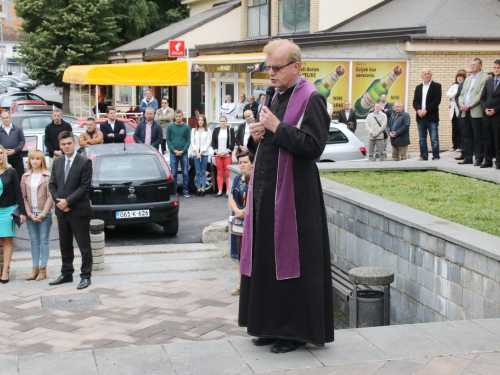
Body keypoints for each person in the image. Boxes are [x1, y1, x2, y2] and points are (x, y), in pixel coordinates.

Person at [239, 39, 334, 353]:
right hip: (267, 196)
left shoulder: (312, 98)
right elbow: (270, 144)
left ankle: (291, 332)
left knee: (290, 263)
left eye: (276, 67)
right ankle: (267, 325)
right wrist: (256, 140)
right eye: (268, 67)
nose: (271, 73)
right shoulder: (273, 95)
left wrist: (277, 127)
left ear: (296, 66)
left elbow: (313, 147)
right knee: (267, 261)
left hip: (296, 200)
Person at [48, 131, 93, 290]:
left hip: (78, 211)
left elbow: (84, 187)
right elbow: (52, 185)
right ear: (60, 146)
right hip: (62, 211)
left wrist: (68, 201)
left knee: (84, 245)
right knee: (65, 245)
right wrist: (59, 202)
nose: (66, 146)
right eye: (63, 144)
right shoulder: (58, 161)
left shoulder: (85, 162)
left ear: (74, 143)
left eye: (69, 143)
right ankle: (66, 273)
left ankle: (86, 276)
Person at [20, 150, 54, 281]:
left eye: (37, 159)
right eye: (32, 159)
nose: (34, 161)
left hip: (44, 213)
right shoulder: (25, 176)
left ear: (42, 161)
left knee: (44, 240)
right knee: (34, 241)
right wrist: (28, 213)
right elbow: (23, 196)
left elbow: (51, 195)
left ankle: (43, 268)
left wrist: (44, 213)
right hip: (30, 214)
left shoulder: (47, 176)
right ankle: (34, 268)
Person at [0, 145, 26, 283]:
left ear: (4, 155)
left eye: (0, 153)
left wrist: (22, 211)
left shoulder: (11, 171)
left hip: (7, 210)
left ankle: (5, 271)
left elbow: (18, 192)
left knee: (8, 241)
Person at [229, 151, 253, 296]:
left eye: (245, 162)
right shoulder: (238, 178)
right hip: (238, 220)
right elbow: (232, 196)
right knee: (239, 252)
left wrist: (245, 211)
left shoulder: (255, 178)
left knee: (248, 251)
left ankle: (251, 284)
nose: (242, 165)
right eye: (240, 162)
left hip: (249, 220)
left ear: (252, 163)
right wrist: (237, 210)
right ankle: (240, 283)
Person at [458, 58, 490, 166]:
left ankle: (479, 158)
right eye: (471, 65)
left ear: (480, 66)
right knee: (466, 136)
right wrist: (461, 104)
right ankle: (467, 157)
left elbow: (480, 95)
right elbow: (462, 94)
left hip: (475, 111)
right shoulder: (468, 79)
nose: (472, 67)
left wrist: (469, 105)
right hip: (464, 111)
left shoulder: (485, 78)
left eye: (474, 65)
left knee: (478, 136)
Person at [413, 68, 442, 161]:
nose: (427, 75)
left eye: (428, 74)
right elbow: (415, 101)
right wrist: (418, 110)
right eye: (425, 74)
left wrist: (426, 110)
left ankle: (436, 156)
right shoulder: (418, 87)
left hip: (431, 116)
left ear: (431, 75)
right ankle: (423, 155)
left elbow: (436, 101)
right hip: (420, 117)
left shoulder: (436, 86)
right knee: (422, 139)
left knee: (434, 138)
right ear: (421, 76)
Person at [480, 59, 500, 169]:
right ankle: (487, 161)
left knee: (497, 139)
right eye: (495, 68)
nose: (496, 70)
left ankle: (499, 161)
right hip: (487, 116)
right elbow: (482, 98)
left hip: (497, 116)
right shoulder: (489, 82)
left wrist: (496, 110)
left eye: (498, 68)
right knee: (487, 138)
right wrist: (485, 109)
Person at [166, 110, 191, 198]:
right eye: (176, 116)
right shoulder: (170, 127)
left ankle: (186, 190)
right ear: (174, 117)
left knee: (185, 172)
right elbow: (168, 140)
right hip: (173, 153)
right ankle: (174, 191)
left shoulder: (187, 127)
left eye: (180, 116)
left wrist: (183, 151)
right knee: (174, 173)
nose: (178, 118)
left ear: (182, 116)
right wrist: (174, 150)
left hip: (183, 153)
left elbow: (188, 141)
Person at [211, 115, 234, 197]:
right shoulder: (216, 130)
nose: (222, 123)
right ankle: (220, 190)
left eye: (224, 121)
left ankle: (228, 190)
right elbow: (213, 142)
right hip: (218, 155)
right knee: (219, 173)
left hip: (227, 155)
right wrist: (216, 152)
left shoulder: (230, 130)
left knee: (228, 173)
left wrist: (226, 151)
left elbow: (232, 143)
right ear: (219, 122)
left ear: (226, 122)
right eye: (221, 121)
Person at [0, 111, 25, 180]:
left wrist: (15, 150)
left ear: (10, 118)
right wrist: (3, 151)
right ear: (1, 119)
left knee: (19, 177)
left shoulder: (18, 129)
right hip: (4, 159)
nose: (5, 119)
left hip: (17, 158)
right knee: (6, 178)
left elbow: (22, 141)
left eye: (7, 117)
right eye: (3, 118)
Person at [191, 115, 212, 197]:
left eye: (202, 120)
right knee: (197, 172)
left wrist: (201, 152)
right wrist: (196, 152)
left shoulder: (208, 130)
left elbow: (208, 142)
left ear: (204, 121)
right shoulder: (193, 130)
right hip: (196, 153)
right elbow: (192, 142)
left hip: (204, 153)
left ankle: (203, 189)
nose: (200, 121)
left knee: (203, 171)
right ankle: (198, 188)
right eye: (199, 120)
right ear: (197, 121)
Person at [454, 67, 472, 161]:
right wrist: (460, 106)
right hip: (462, 111)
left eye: (470, 72)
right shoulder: (462, 84)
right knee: (463, 133)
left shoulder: (475, 83)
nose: (469, 74)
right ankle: (464, 153)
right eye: (468, 72)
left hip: (473, 111)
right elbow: (457, 97)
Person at [447, 70, 467, 151]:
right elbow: (448, 94)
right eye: (458, 76)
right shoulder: (454, 85)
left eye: (461, 76)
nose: (459, 78)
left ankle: (460, 145)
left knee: (460, 127)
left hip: (460, 108)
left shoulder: (465, 85)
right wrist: (454, 95)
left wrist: (454, 96)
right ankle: (454, 145)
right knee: (454, 127)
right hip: (453, 108)